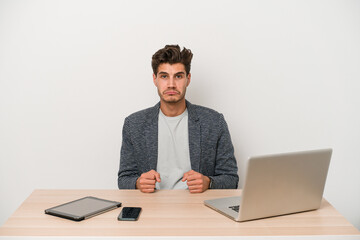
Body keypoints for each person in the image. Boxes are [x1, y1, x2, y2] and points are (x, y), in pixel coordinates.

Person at [117, 45, 238, 193]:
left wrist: (209, 182)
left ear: (188, 79)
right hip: (151, 206)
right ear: (155, 79)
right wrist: (138, 182)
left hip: (197, 207)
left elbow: (231, 179)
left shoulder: (214, 122)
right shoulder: (134, 124)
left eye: (178, 76)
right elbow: (124, 179)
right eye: (164, 76)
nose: (171, 84)